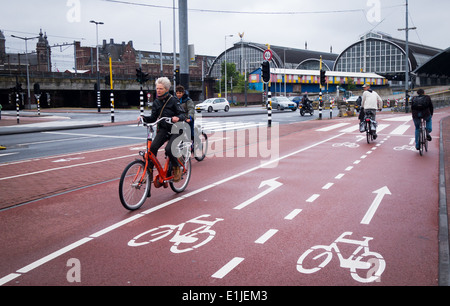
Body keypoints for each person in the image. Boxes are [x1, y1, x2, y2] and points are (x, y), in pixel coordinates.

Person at [140, 77, 186, 182]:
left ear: (166, 89)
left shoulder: (173, 100)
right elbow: (152, 118)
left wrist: (177, 118)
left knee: (169, 149)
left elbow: (182, 114)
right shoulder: (156, 102)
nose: (158, 90)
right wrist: (143, 118)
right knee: (152, 148)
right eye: (157, 88)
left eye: (161, 88)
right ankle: (149, 172)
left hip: (176, 130)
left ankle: (176, 168)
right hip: (163, 130)